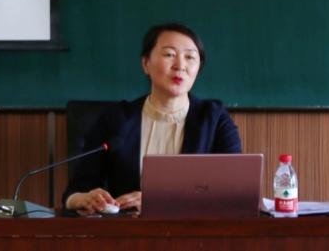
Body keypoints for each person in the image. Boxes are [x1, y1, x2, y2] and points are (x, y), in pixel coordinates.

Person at [63, 22, 241, 214]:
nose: (180, 66)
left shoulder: (214, 119)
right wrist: (84, 199)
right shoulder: (116, 119)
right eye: (169, 55)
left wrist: (159, 201)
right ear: (146, 63)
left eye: (190, 57)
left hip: (194, 229)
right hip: (128, 230)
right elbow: (76, 190)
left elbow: (233, 190)